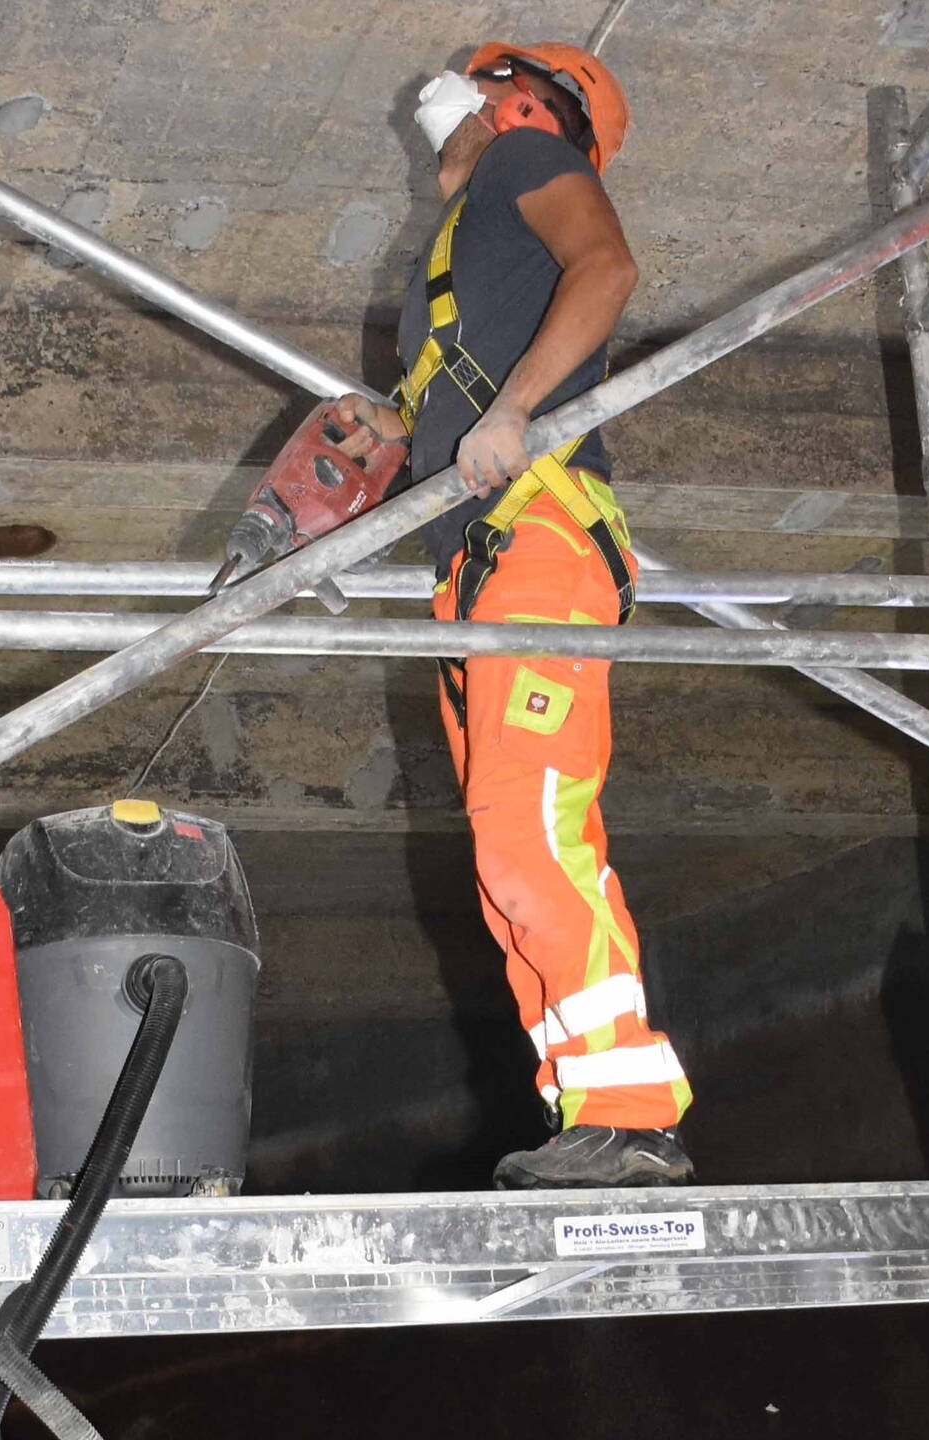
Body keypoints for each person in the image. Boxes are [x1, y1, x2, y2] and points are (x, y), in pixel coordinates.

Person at [332, 42, 693, 1189]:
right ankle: (587, 1106)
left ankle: (629, 1112)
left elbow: (607, 266)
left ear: (528, 106)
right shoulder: (459, 240)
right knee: (505, 849)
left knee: (533, 827)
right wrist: (399, 427)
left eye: (484, 87)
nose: (457, 98)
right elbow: (467, 381)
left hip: (535, 538)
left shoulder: (526, 154)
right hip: (479, 567)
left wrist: (522, 413)